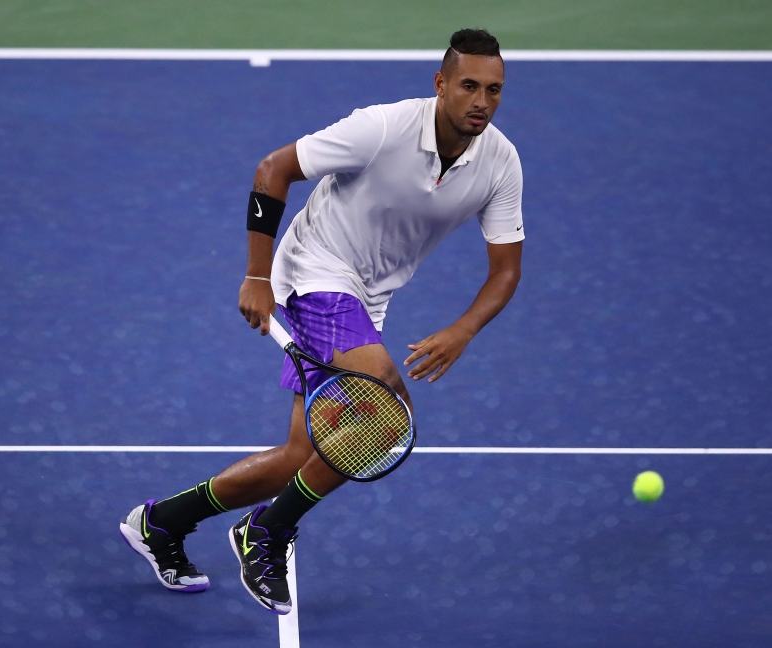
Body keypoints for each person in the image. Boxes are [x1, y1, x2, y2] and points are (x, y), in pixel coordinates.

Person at [119, 28, 524, 614]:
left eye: (494, 90)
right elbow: (274, 168)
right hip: (316, 270)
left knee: (302, 456)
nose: (481, 101)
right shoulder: (382, 128)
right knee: (385, 413)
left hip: (368, 296)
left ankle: (161, 524)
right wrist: (258, 276)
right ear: (441, 84)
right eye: (468, 86)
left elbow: (505, 272)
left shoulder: (500, 162)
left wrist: (463, 329)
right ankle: (268, 530)